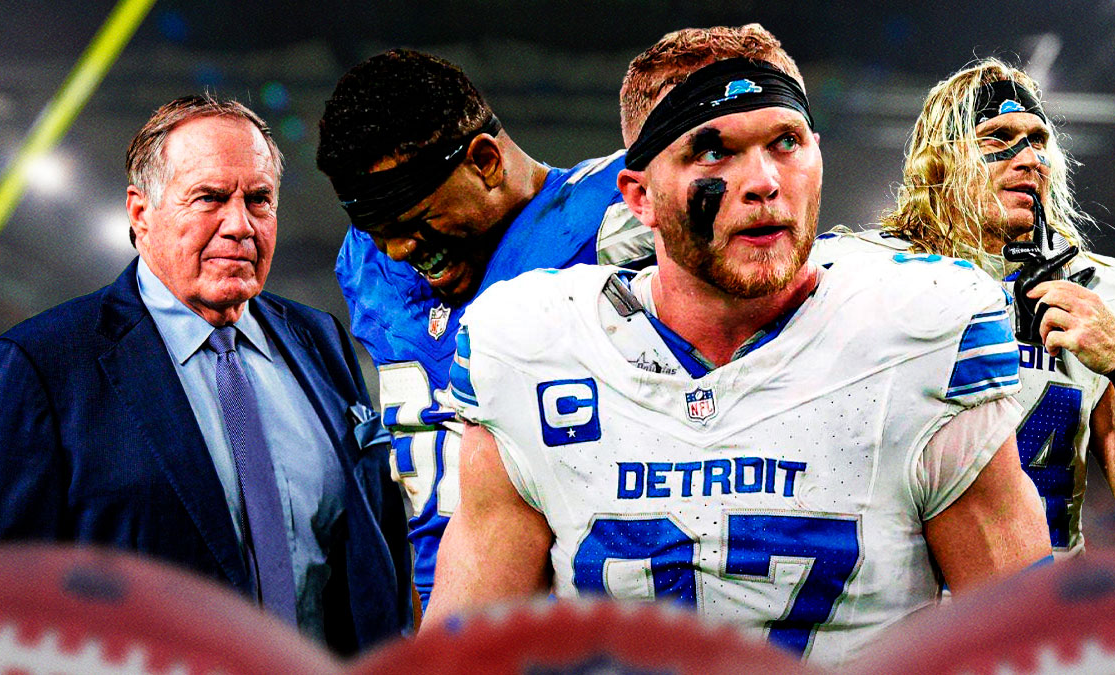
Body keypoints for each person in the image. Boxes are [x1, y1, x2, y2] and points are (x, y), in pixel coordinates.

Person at [423, 25, 1051, 667]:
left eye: (786, 142)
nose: (764, 181)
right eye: (712, 151)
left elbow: (1025, 648)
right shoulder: (535, 343)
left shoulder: (917, 332)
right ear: (640, 196)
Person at [0, 95, 411, 655]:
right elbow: (14, 603)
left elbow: (371, 541)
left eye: (260, 200)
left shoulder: (321, 339)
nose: (240, 225)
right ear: (140, 213)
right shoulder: (43, 365)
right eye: (210, 198)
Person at [810, 58, 1115, 556]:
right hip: (899, 617)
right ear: (941, 161)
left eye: (1039, 140)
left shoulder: (1101, 289)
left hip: (1033, 619)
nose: (1031, 157)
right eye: (997, 137)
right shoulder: (859, 274)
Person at [316, 49, 653, 608]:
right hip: (431, 609)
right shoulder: (367, 265)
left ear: (486, 161)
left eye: (415, 220)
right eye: (379, 231)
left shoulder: (617, 218)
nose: (398, 249)